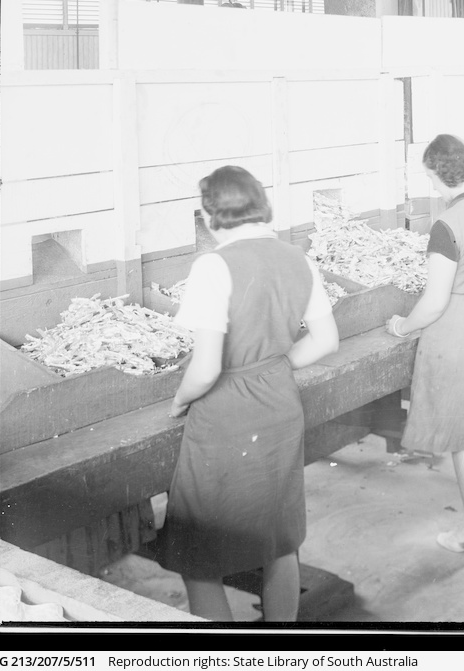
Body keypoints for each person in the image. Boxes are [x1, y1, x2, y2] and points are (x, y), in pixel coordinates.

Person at [157, 165, 340, 622]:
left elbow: (205, 369)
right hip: (280, 404)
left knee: (198, 555)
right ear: (261, 205)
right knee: (278, 541)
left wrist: (180, 401)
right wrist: (272, 368)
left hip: (227, 415)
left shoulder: (212, 265)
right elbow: (325, 340)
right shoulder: (299, 257)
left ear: (209, 215)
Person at [386, 134, 464, 557]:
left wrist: (403, 326)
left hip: (457, 329)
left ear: (442, 174)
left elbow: (434, 302)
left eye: (430, 177)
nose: (432, 185)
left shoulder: (448, 224)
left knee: (462, 437)